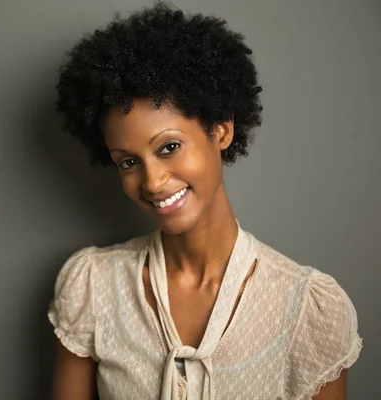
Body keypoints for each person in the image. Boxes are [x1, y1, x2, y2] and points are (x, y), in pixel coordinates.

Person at [47, 3, 362, 399]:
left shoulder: (306, 311)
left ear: (221, 131)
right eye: (128, 162)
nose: (153, 181)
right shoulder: (93, 287)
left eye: (169, 147)